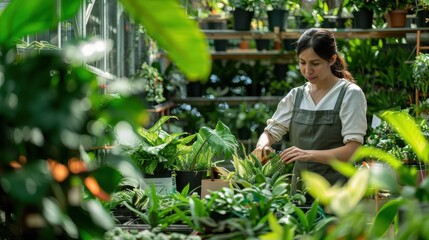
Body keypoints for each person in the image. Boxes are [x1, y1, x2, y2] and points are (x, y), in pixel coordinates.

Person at [253, 28, 367, 203]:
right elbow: (270, 132)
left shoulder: (349, 94)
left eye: (315, 63)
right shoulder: (296, 95)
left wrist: (307, 154)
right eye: (302, 62)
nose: (307, 70)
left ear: (332, 59)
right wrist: (263, 145)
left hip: (339, 194)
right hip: (300, 194)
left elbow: (352, 151)